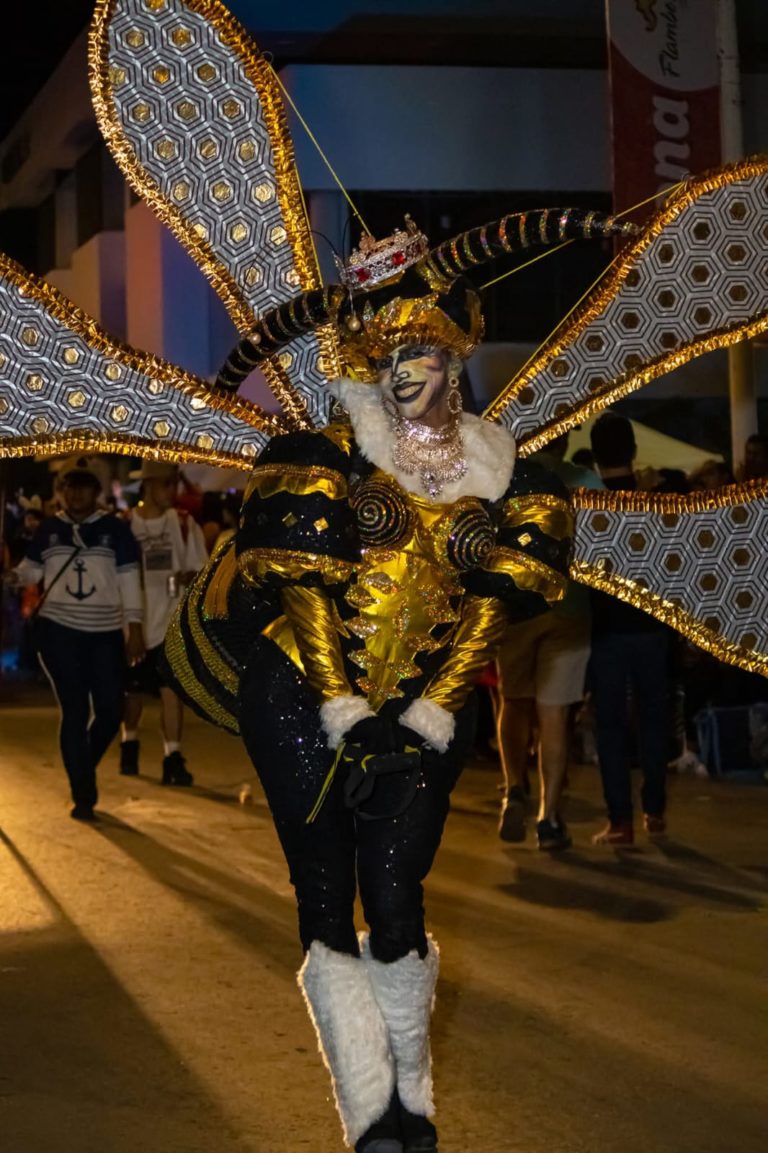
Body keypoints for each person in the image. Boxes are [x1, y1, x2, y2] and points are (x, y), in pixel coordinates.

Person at [168, 208, 636, 1153]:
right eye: (394, 355)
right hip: (304, 698)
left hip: (425, 710)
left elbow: (494, 613)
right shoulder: (318, 457)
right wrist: (346, 710)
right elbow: (301, 593)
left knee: (397, 893)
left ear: (456, 353)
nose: (411, 371)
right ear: (370, 364)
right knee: (324, 888)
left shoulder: (511, 474)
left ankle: (411, 1097)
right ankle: (368, 1114)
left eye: (427, 350)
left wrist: (421, 715)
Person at [14, 460, 144, 821]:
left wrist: (134, 628)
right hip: (58, 631)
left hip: (104, 633)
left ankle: (82, 765)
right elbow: (32, 572)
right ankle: (82, 794)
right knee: (74, 710)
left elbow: (130, 580)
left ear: (97, 492)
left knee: (110, 710)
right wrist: (14, 573)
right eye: (69, 485)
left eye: (84, 485)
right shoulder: (49, 529)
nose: (76, 492)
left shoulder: (115, 531)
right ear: (61, 490)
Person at [496, 432, 603, 851]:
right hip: (570, 609)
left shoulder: (506, 476)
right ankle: (549, 816)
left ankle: (512, 788)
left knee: (513, 701)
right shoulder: (587, 483)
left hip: (517, 607)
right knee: (554, 714)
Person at [588, 413, 671, 845]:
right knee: (654, 721)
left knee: (611, 727)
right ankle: (654, 811)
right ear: (634, 452)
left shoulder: (590, 507)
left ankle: (619, 820)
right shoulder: (655, 503)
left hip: (606, 633)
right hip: (653, 629)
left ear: (597, 459)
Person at [120, 460, 208, 785]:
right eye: (166, 484)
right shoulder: (127, 525)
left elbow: (200, 568)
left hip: (170, 624)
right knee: (133, 694)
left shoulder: (183, 523)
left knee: (172, 692)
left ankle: (173, 756)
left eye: (174, 484)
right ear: (148, 485)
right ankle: (128, 742)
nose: (173, 491)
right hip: (134, 623)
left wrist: (190, 575)